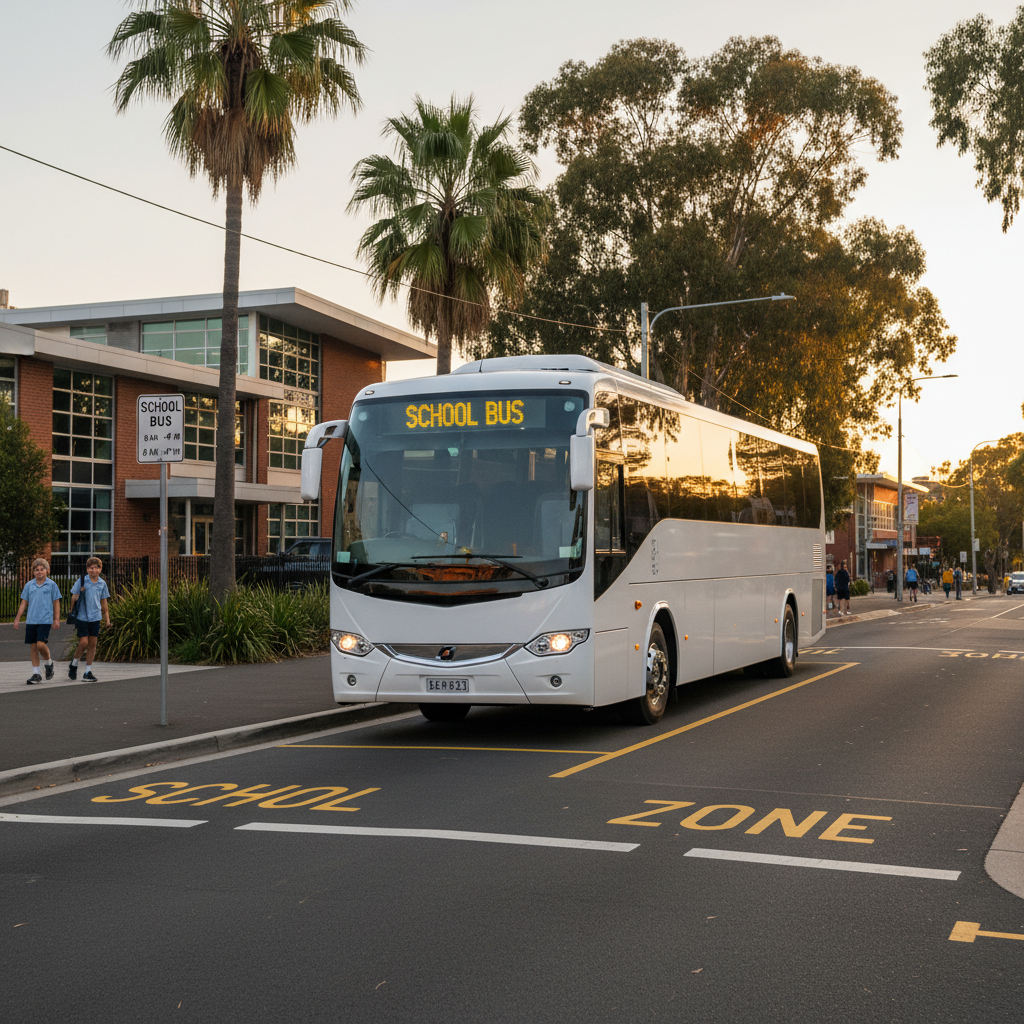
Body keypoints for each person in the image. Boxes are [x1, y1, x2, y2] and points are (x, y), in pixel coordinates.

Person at [12, 558, 62, 684]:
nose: (39, 572)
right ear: (33, 572)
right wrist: (17, 619)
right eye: (36, 570)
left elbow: (56, 603)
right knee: (33, 647)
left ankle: (49, 663)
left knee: (40, 644)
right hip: (31, 620)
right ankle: (36, 674)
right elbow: (24, 602)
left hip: (45, 620)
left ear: (47, 571)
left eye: (42, 569)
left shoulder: (51, 585)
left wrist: (56, 619)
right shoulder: (29, 585)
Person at [68, 557, 111, 682]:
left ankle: (88, 671)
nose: (94, 570)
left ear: (100, 569)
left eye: (96, 567)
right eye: (91, 568)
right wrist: (72, 608)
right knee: (84, 642)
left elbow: (104, 602)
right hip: (82, 616)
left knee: (92, 644)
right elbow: (74, 597)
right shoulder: (82, 581)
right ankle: (74, 663)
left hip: (95, 617)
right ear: (87, 569)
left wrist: (107, 619)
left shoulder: (102, 583)